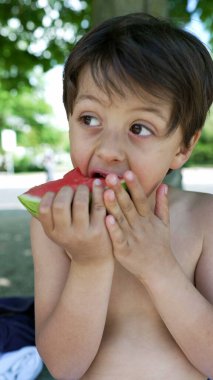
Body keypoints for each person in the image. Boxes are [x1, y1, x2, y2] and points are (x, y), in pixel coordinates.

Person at [30, 13, 213, 380]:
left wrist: (159, 268)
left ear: (183, 147)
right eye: (89, 120)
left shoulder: (204, 219)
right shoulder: (53, 222)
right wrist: (89, 263)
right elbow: (63, 368)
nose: (109, 149)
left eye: (139, 127)